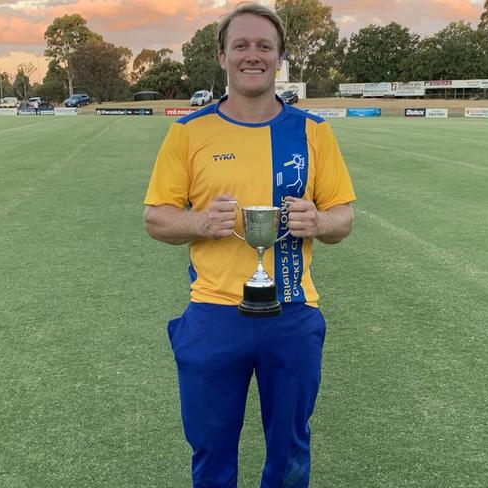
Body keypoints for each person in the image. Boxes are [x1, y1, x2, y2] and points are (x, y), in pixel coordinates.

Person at [143, 3, 355, 486]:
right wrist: (200, 221)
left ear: (279, 57)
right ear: (222, 55)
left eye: (264, 46)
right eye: (241, 45)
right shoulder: (188, 133)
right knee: (211, 447)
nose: (252, 55)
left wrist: (318, 220)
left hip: (292, 312)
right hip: (214, 313)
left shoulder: (313, 132)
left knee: (290, 448)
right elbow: (156, 218)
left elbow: (344, 218)